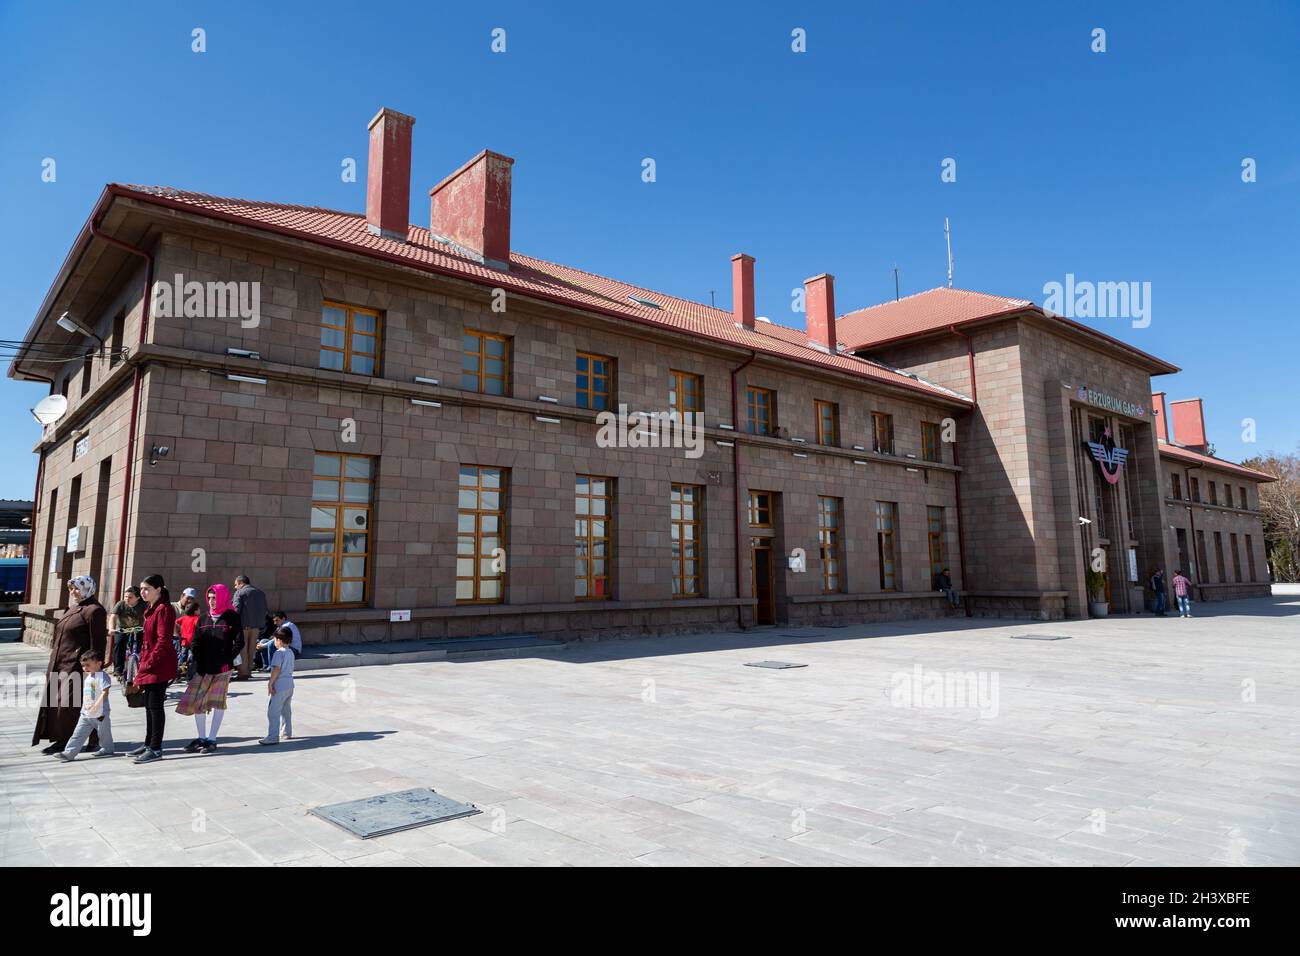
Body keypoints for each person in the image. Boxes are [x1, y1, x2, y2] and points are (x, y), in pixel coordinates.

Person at [32, 575, 108, 755]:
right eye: (71, 588)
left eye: (76, 588)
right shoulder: (74, 608)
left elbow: (97, 643)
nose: (73, 592)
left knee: (68, 705)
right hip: (59, 664)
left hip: (77, 667)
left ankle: (66, 741)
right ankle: (81, 738)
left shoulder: (94, 610)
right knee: (56, 703)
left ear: (87, 588)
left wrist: (94, 668)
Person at [176, 584, 242, 754]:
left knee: (217, 702)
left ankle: (212, 739)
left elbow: (239, 642)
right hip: (203, 667)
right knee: (198, 702)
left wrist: (227, 658)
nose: (212, 601)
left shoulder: (232, 617)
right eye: (210, 598)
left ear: (222, 597)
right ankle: (201, 738)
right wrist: (198, 659)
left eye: (215, 597)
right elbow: (195, 641)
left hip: (223, 668)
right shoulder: (203, 618)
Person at [129, 574, 177, 763]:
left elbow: (163, 641)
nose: (143, 592)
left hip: (160, 664)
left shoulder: (164, 609)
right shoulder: (151, 608)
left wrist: (149, 663)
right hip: (150, 662)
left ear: (158, 589)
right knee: (149, 705)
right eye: (141, 588)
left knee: (155, 706)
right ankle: (149, 743)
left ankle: (156, 749)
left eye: (147, 588)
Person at [57, 649, 114, 761]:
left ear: (98, 663)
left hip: (100, 713)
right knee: (78, 734)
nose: (85, 668)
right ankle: (69, 753)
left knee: (104, 733)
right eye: (83, 666)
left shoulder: (102, 676)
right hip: (86, 714)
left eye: (88, 665)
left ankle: (107, 749)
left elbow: (105, 692)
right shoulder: (89, 677)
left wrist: (96, 706)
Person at [260, 628, 296, 746]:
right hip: (290, 684)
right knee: (286, 710)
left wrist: (270, 683)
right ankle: (286, 732)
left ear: (279, 640)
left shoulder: (278, 653)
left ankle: (273, 736)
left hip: (280, 685)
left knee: (273, 712)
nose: (274, 641)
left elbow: (276, 669)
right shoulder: (290, 652)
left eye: (275, 639)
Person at [232, 574, 268, 681]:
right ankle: (248, 671)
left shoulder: (240, 593)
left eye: (236, 584)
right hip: (256, 626)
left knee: (242, 650)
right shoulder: (260, 593)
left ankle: (243, 673)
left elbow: (236, 610)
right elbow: (265, 609)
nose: (235, 587)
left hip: (243, 625)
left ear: (241, 583)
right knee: (251, 650)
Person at [107, 586, 143, 677]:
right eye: (126, 596)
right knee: (119, 644)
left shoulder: (144, 605)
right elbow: (113, 617)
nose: (127, 599)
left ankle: (140, 666)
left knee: (142, 646)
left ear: (138, 598)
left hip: (139, 629)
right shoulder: (121, 604)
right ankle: (118, 669)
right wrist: (111, 628)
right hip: (122, 629)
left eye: (130, 597)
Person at [174, 590, 201, 680]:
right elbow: (200, 628)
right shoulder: (197, 619)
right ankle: (190, 677)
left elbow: (176, 622)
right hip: (192, 642)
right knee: (191, 660)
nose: (189, 600)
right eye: (188, 598)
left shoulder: (184, 618)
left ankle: (176, 676)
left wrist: (181, 629)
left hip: (184, 642)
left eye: (191, 599)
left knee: (182, 658)